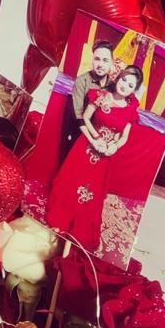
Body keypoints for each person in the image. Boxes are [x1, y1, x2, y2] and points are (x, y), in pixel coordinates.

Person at [46, 65, 143, 252]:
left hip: (105, 154)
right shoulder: (100, 95)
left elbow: (124, 136)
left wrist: (114, 146)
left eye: (130, 85)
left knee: (91, 193)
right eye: (124, 80)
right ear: (118, 77)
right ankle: (62, 219)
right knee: (73, 183)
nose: (124, 86)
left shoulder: (131, 109)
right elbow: (85, 118)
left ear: (134, 89)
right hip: (86, 146)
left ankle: (79, 229)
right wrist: (95, 139)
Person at [60, 40, 114, 162]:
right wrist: (94, 139)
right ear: (92, 60)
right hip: (80, 131)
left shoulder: (113, 86)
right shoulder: (82, 81)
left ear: (111, 62)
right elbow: (78, 116)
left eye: (105, 60)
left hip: (101, 135)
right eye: (97, 59)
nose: (100, 64)